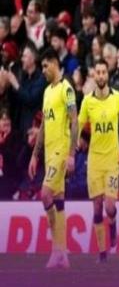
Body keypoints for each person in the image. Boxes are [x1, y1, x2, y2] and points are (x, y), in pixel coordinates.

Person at [28, 48, 78, 268]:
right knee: (58, 201)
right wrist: (34, 155)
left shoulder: (67, 89)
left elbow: (75, 121)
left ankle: (57, 249)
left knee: (45, 194)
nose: (43, 70)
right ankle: (61, 253)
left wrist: (71, 154)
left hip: (61, 151)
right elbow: (43, 126)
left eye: (45, 66)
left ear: (55, 63)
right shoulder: (47, 92)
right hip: (49, 153)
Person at [78, 59, 119, 262]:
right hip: (94, 161)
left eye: (103, 72)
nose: (100, 75)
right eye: (97, 72)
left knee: (109, 206)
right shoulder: (87, 101)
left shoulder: (117, 98)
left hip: (111, 160)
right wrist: (72, 145)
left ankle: (113, 223)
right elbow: (79, 124)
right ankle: (102, 252)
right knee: (97, 207)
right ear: (94, 76)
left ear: (107, 75)